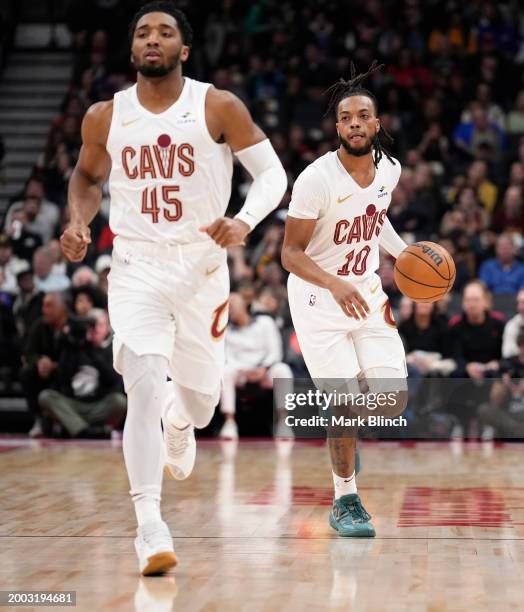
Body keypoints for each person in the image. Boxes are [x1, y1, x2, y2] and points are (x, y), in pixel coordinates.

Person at [59, 1, 286, 576]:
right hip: (135, 264)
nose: (151, 39)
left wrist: (244, 220)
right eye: (142, 33)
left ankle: (180, 421)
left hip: (203, 268)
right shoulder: (105, 116)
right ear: (132, 49)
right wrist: (80, 222)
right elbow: (86, 177)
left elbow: (273, 176)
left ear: (184, 49)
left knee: (203, 405)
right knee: (141, 380)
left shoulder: (216, 105)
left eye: (164, 32)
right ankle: (149, 525)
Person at [281, 63, 408, 538]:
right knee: (345, 404)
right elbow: (289, 254)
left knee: (391, 401)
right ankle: (345, 498)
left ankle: (348, 438)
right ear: (337, 128)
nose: (355, 123)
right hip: (318, 299)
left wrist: (406, 253)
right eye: (346, 118)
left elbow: (375, 220)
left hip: (368, 293)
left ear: (377, 124)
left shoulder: (390, 170)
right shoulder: (316, 179)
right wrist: (334, 283)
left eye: (363, 116)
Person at [38, 308, 126, 438]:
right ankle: (86, 430)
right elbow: (63, 378)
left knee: (120, 402)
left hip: (99, 405)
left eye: (100, 325)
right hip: (74, 404)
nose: (95, 329)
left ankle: (75, 427)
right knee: (45, 397)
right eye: (92, 325)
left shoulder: (111, 349)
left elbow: (112, 380)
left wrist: (91, 350)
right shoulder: (74, 346)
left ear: (107, 328)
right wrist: (72, 346)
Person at [219, 292, 293, 440]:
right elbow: (226, 357)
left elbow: (275, 350)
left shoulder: (265, 322)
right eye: (227, 306)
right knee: (225, 372)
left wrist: (263, 368)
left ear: (245, 304)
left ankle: (284, 423)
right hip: (240, 373)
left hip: (265, 371)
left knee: (283, 370)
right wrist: (245, 371)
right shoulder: (226, 331)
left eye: (233, 303)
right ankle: (229, 423)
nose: (230, 308)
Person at [21, 292, 69, 437]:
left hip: (66, 374)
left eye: (49, 306)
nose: (44, 310)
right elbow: (28, 354)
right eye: (43, 305)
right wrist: (40, 361)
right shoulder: (39, 325)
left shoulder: (74, 326)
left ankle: (62, 421)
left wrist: (54, 365)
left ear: (62, 308)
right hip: (45, 373)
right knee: (26, 373)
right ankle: (39, 419)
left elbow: (77, 359)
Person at [502, 288, 524, 358]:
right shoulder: (512, 325)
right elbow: (507, 354)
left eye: (523, 303)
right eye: (519, 303)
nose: (520, 307)